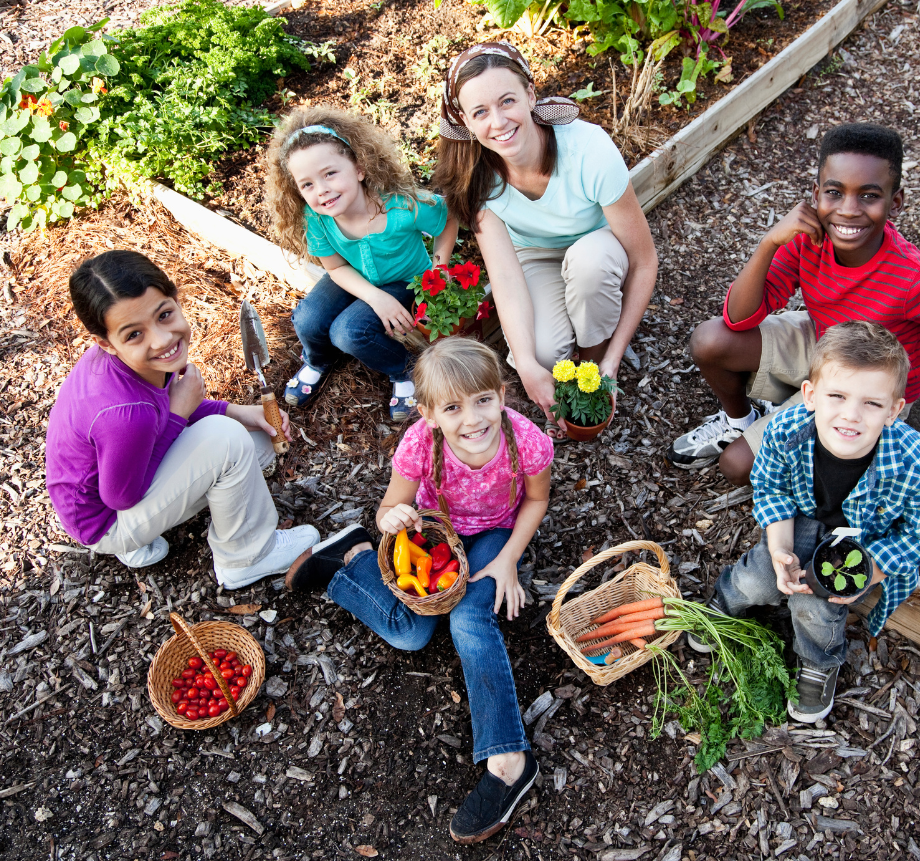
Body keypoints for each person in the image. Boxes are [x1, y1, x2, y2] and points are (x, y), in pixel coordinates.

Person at [668, 122, 920, 517]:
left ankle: (822, 464)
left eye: (868, 196)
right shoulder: (806, 240)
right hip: (824, 342)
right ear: (815, 196)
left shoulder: (914, 281)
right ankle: (740, 420)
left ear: (895, 203)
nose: (848, 209)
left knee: (738, 466)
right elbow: (738, 318)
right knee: (710, 340)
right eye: (834, 193)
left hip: (869, 379)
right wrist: (769, 243)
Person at [284, 337, 553, 844]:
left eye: (482, 400)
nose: (472, 419)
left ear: (502, 394)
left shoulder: (527, 440)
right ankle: (350, 564)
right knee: (410, 635)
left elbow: (536, 501)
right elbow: (389, 511)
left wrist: (507, 560)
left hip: (495, 532)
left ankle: (509, 762)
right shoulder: (419, 445)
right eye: (453, 407)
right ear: (429, 414)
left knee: (470, 618)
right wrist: (392, 519)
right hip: (432, 532)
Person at [694, 322, 920, 722]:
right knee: (758, 577)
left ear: (895, 410)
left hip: (864, 541)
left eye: (872, 403)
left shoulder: (916, 460)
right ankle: (727, 600)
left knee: (817, 605)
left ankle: (818, 660)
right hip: (801, 520)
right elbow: (772, 490)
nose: (851, 415)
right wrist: (779, 548)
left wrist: (867, 572)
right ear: (810, 396)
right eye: (837, 396)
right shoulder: (784, 431)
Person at [45, 251, 319, 588]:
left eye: (164, 315)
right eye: (134, 334)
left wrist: (240, 412)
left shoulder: (130, 364)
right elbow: (122, 497)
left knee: (257, 441)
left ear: (175, 299)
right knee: (229, 441)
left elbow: (167, 410)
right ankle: (247, 557)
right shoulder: (125, 415)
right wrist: (180, 414)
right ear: (106, 343)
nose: (161, 340)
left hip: (101, 489)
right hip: (107, 521)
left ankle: (148, 537)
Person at [433, 41, 657, 435]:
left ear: (530, 95)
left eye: (507, 101)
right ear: (466, 122)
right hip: (536, 256)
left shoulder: (588, 150)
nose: (498, 122)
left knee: (590, 268)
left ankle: (592, 356)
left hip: (599, 246)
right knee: (540, 355)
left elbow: (643, 261)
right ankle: (572, 347)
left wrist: (612, 360)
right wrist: (528, 364)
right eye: (480, 112)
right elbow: (504, 277)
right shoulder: (476, 177)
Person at [265, 106, 459, 421]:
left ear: (359, 168)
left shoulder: (400, 207)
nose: (322, 190)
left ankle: (404, 371)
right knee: (307, 319)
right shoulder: (316, 218)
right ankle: (318, 360)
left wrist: (439, 268)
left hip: (404, 280)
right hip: (353, 276)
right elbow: (336, 268)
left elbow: (448, 218)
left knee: (350, 332)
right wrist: (373, 296)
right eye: (307, 184)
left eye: (330, 173)